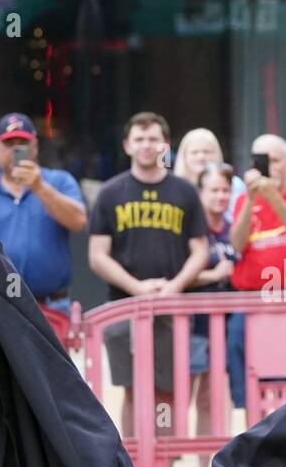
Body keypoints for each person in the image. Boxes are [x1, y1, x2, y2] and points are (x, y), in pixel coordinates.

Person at [88, 111, 209, 440]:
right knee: (132, 392)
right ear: (127, 145)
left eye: (153, 139)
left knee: (167, 393)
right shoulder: (111, 193)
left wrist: (175, 286)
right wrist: (137, 288)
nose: (146, 145)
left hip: (171, 309)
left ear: (166, 145)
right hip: (122, 307)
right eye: (139, 139)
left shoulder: (184, 192)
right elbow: (97, 256)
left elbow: (200, 249)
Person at [0, 112, 88, 311]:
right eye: (9, 144)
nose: (16, 149)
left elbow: (79, 221)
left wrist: (39, 188)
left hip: (51, 304)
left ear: (35, 147)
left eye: (22, 143)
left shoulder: (59, 180)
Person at [228, 133, 286, 407]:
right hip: (250, 300)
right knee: (244, 374)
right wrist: (250, 199)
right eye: (261, 160)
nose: (268, 167)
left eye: (275, 160)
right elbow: (236, 244)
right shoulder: (242, 199)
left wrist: (274, 198)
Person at [188, 162, 237, 467]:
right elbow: (177, 273)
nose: (220, 196)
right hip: (193, 323)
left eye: (225, 190)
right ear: (200, 193)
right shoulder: (191, 230)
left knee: (218, 397)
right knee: (185, 395)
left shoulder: (234, 227)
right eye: (213, 190)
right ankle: (184, 464)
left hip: (228, 324)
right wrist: (212, 275)